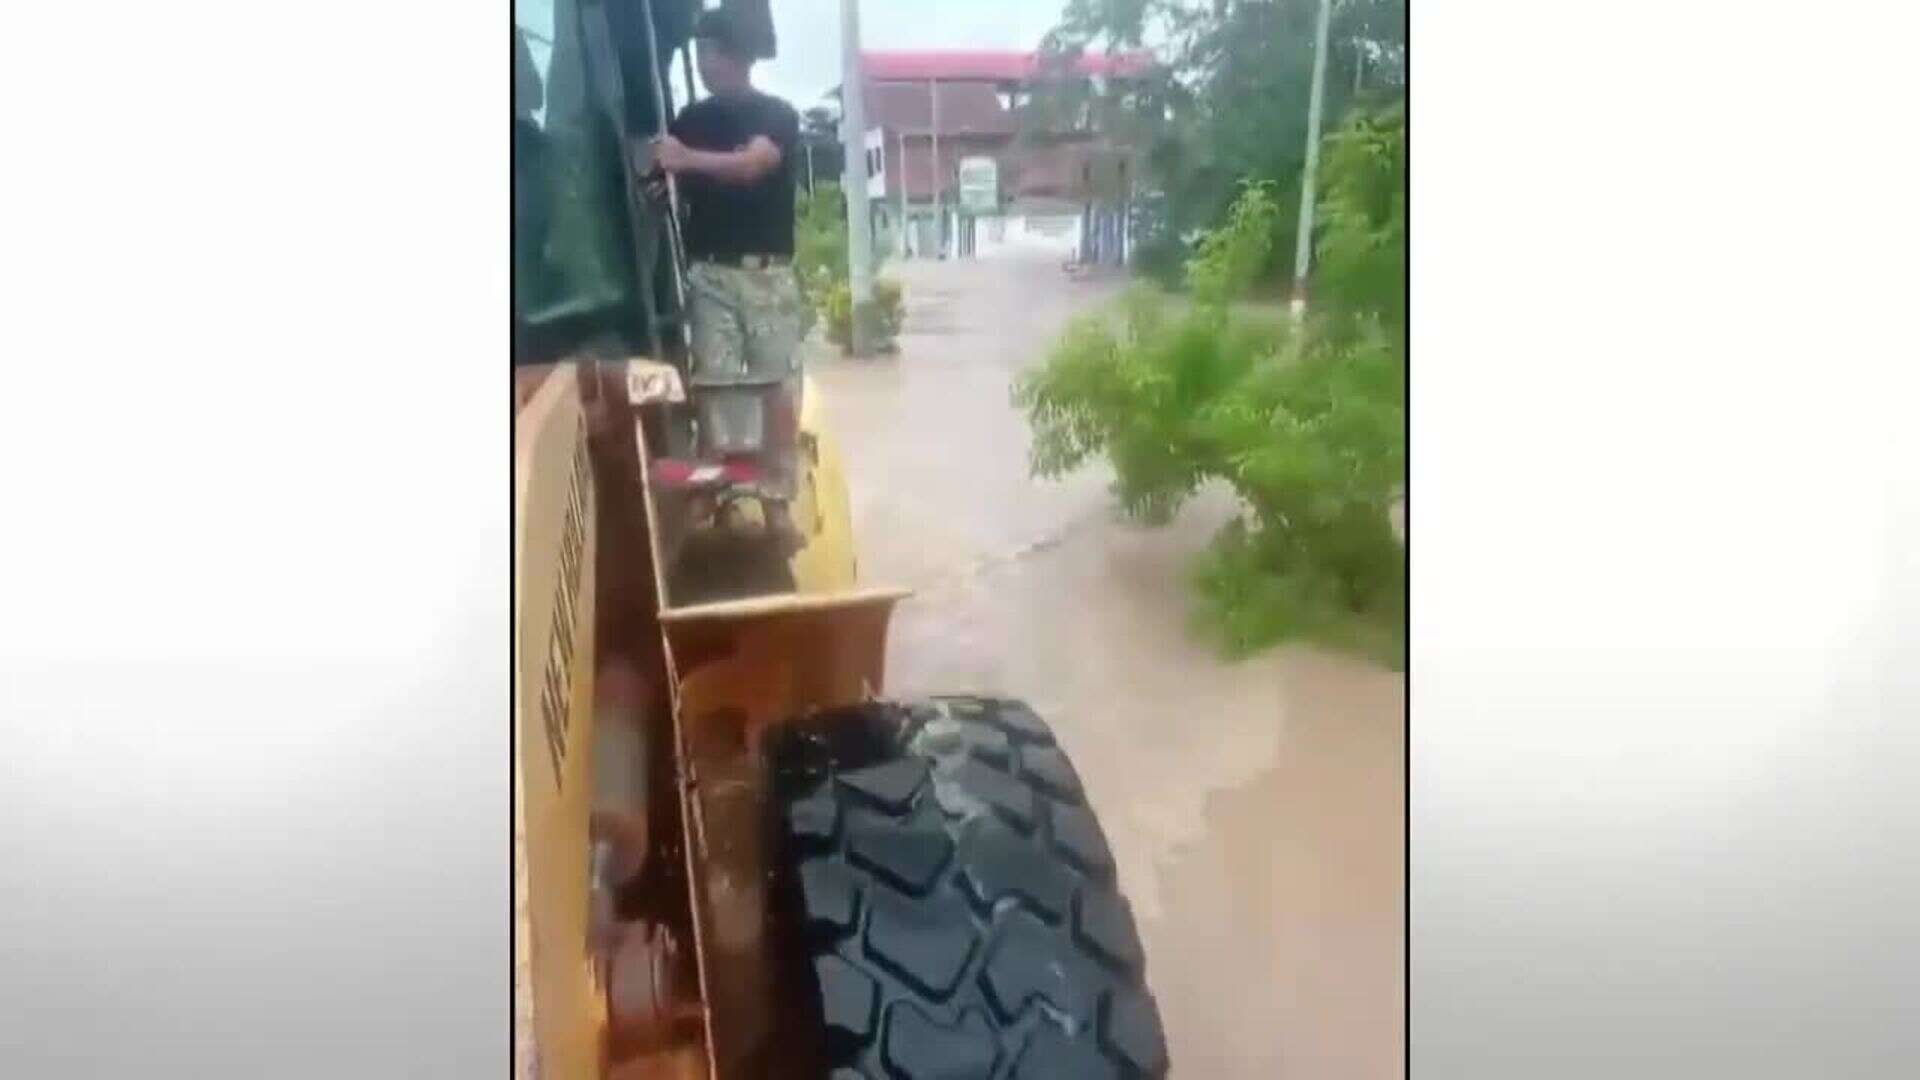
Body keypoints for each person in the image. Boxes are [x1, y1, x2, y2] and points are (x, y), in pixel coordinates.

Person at [649, 8, 806, 550]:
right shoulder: (690, 118)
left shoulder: (778, 116)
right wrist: (659, 171)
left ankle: (777, 505)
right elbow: (659, 175)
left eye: (706, 53)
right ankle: (708, 494)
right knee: (714, 385)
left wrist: (685, 160)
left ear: (730, 55)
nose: (701, 62)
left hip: (768, 276)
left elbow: (753, 165)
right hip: (711, 273)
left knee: (777, 393)